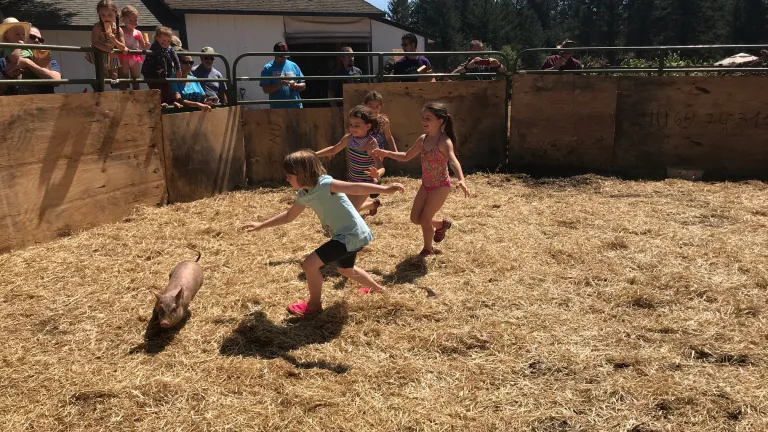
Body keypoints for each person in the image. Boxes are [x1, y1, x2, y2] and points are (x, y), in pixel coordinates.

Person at [243, 149, 405, 316]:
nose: (286, 179)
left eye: (289, 176)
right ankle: (378, 290)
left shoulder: (326, 184)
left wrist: (385, 189)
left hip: (350, 235)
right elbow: (289, 216)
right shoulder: (303, 194)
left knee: (309, 265)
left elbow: (355, 188)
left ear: (302, 174)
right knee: (346, 270)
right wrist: (262, 224)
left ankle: (314, 305)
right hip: (349, 236)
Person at [373, 102, 470, 257]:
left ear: (440, 121)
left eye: (428, 118)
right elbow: (406, 156)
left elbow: (453, 160)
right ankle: (442, 225)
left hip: (441, 186)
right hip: (426, 185)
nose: (424, 121)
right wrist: (386, 153)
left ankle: (427, 249)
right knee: (415, 218)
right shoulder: (422, 139)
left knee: (425, 219)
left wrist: (461, 179)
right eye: (423, 118)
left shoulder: (444, 141)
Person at [315, 106, 386, 216]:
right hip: (352, 180)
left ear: (368, 126)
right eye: (351, 125)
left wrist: (377, 174)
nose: (353, 128)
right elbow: (334, 148)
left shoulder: (371, 144)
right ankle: (372, 204)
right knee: (347, 207)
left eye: (357, 125)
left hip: (366, 183)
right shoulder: (349, 137)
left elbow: (381, 166)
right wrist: (314, 155)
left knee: (349, 211)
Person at [0, 26, 62, 96]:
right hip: (15, 103)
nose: (37, 40)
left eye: (40, 40)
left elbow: (57, 81)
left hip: (44, 102)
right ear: (23, 38)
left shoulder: (48, 61)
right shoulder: (4, 60)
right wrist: (7, 76)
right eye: (32, 37)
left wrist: (27, 63)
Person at [141, 26, 181, 106]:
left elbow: (174, 56)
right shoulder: (155, 46)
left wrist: (178, 68)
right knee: (156, 86)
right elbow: (161, 58)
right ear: (157, 38)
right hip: (151, 72)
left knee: (166, 84)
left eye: (168, 41)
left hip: (162, 71)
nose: (166, 43)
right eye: (163, 41)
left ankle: (170, 101)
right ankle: (160, 102)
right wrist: (164, 70)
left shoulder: (168, 48)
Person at [260, 42, 306, 109]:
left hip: (296, 107)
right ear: (274, 53)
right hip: (278, 109)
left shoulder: (293, 65)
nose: (283, 58)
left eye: (285, 56)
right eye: (281, 56)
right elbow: (266, 89)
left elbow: (303, 85)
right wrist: (281, 85)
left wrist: (297, 86)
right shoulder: (267, 68)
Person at [90, 0, 126, 82]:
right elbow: (95, 41)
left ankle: (113, 92)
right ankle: (101, 90)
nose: (106, 18)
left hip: (113, 53)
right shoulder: (97, 27)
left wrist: (113, 40)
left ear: (115, 13)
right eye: (103, 15)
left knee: (114, 76)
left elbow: (123, 46)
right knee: (104, 74)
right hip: (100, 51)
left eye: (109, 15)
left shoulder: (118, 29)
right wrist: (108, 50)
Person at [117, 6, 150, 90]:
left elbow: (143, 46)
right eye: (130, 20)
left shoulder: (138, 32)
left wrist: (146, 44)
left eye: (135, 20)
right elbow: (119, 44)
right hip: (124, 56)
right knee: (123, 77)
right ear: (123, 19)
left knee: (136, 78)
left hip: (135, 57)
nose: (133, 22)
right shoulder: (121, 31)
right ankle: (123, 96)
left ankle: (136, 96)